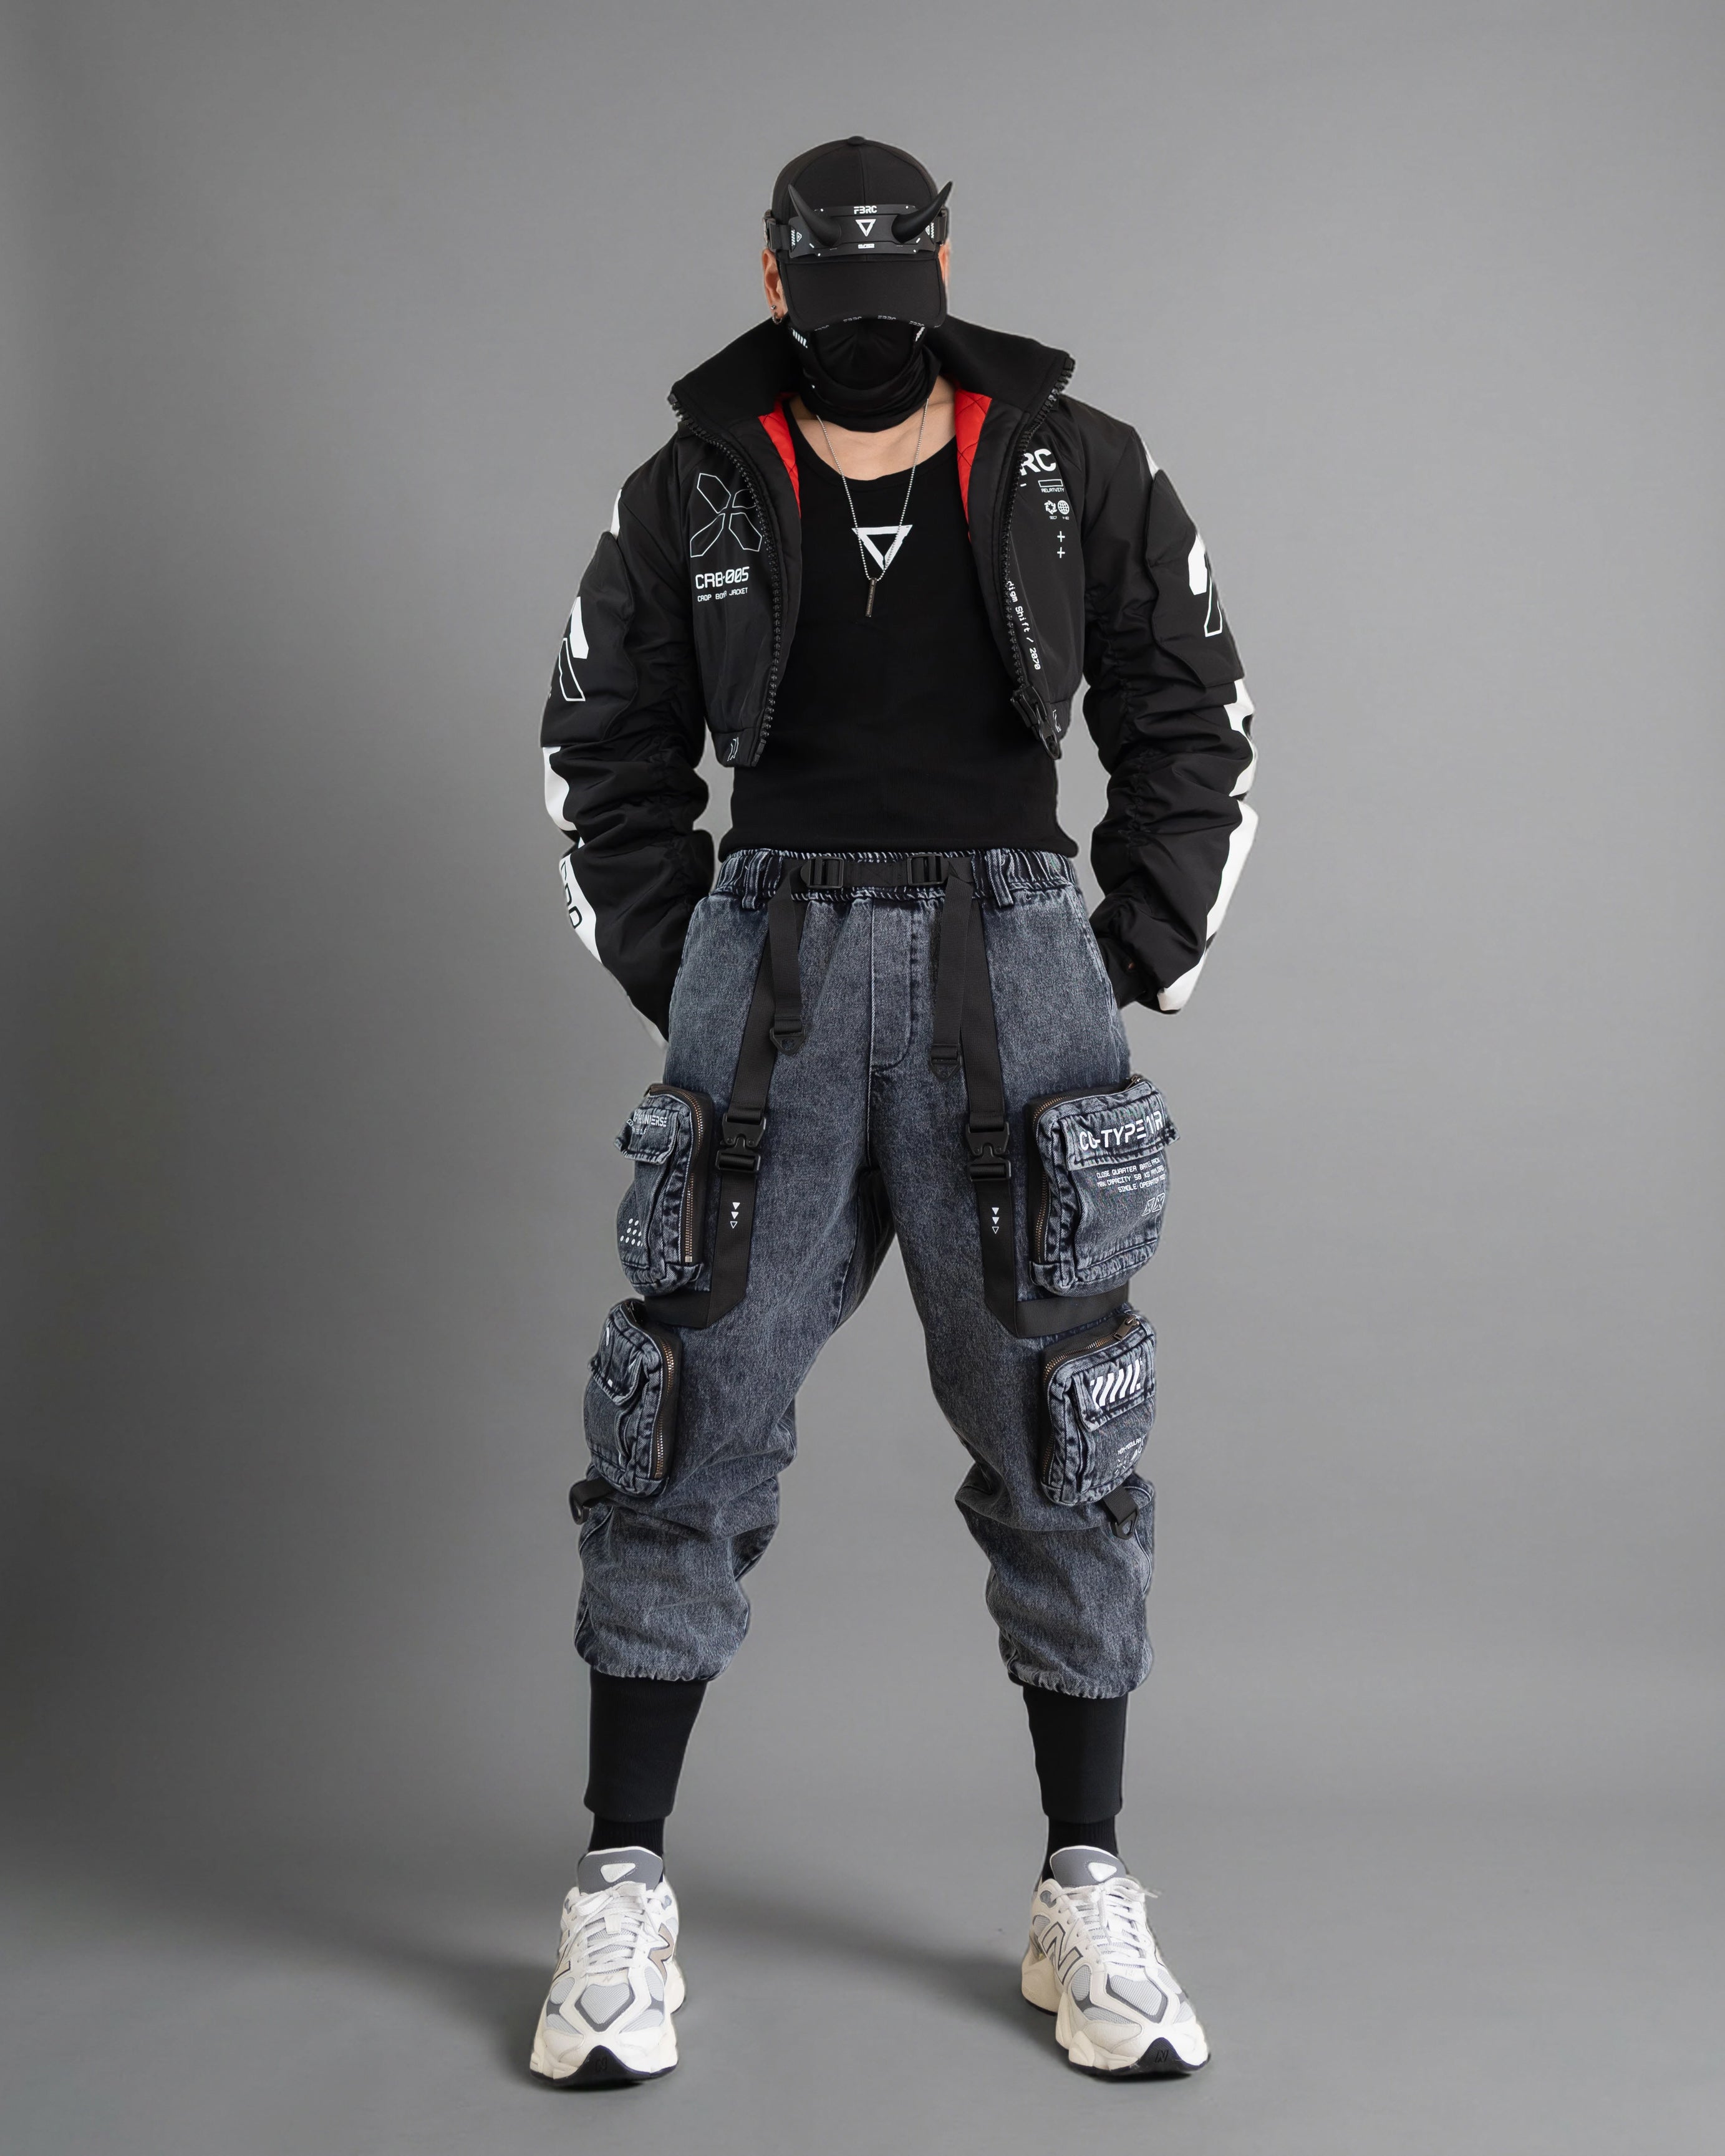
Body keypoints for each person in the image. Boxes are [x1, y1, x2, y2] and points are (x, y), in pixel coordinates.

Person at [529, 136, 1257, 2086]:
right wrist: (695, 961)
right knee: (683, 1409)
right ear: (773, 283)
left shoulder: (1072, 461)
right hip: (767, 956)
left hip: (1011, 959)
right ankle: (618, 1887)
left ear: (946, 263)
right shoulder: (694, 480)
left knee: (1062, 1418)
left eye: (894, 289)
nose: (864, 325)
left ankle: (1085, 1883)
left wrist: (1121, 954)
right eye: (829, 292)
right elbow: (599, 741)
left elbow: (1193, 709)